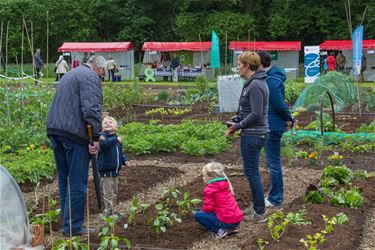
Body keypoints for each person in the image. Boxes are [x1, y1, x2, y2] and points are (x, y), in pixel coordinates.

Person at [46, 55, 107, 236]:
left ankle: (67, 223)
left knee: (65, 180)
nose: (102, 76)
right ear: (100, 68)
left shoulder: (71, 73)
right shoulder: (90, 77)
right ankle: (74, 227)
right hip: (74, 134)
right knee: (78, 182)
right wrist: (95, 137)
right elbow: (92, 109)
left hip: (56, 130)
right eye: (103, 73)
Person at [225, 51, 269, 221]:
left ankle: (259, 212)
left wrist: (238, 125)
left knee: (252, 173)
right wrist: (237, 120)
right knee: (252, 172)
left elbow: (257, 114)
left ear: (247, 66)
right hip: (254, 133)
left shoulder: (256, 85)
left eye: (239, 64)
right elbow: (250, 111)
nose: (237, 67)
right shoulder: (254, 83)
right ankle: (258, 208)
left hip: (253, 134)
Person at [258, 51, 294, 207]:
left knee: (273, 163)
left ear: (262, 64)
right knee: (272, 162)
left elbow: (278, 103)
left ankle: (276, 198)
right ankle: (276, 195)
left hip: (272, 126)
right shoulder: (271, 77)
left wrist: (289, 118)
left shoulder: (271, 80)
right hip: (272, 124)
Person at [194, 163, 243, 240]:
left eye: (203, 175)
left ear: (209, 177)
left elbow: (209, 208)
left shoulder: (209, 189)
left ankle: (220, 231)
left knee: (198, 215)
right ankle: (232, 228)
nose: (203, 177)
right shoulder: (226, 184)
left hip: (227, 222)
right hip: (237, 220)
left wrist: (202, 211)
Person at [98, 116, 129, 218]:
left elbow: (120, 152)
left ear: (116, 128)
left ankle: (113, 211)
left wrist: (124, 160)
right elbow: (104, 146)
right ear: (102, 127)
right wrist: (116, 139)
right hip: (106, 171)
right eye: (105, 123)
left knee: (115, 192)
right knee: (108, 194)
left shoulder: (116, 140)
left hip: (115, 170)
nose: (107, 123)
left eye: (110, 122)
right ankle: (108, 213)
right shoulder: (102, 137)